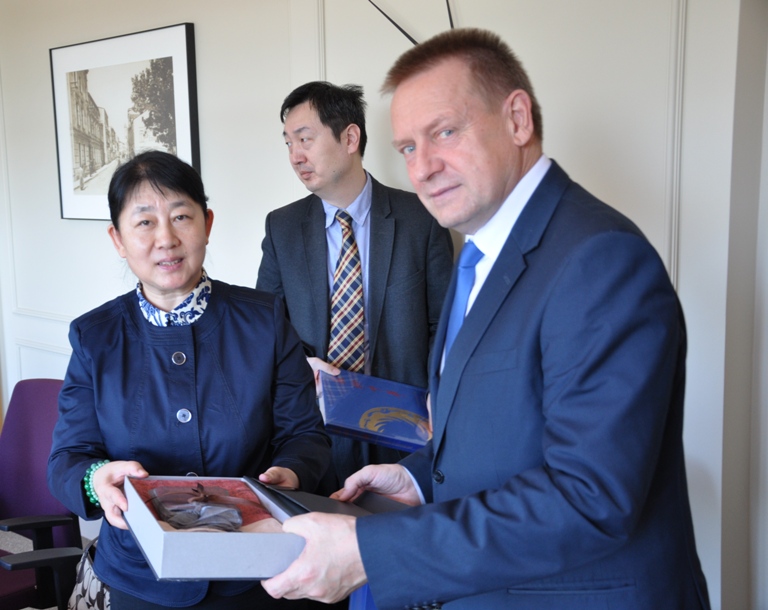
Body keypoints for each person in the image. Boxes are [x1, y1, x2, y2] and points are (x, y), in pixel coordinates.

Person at [261, 28, 712, 610]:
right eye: (408, 148)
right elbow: (496, 430)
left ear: (517, 119)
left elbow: (590, 496)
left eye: (444, 132)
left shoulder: (600, 259)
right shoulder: (478, 251)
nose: (423, 168)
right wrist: (419, 476)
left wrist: (372, 553)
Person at [48, 150, 331, 610]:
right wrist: (96, 478)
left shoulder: (264, 320)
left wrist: (293, 470)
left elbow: (305, 434)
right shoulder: (94, 336)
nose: (166, 239)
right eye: (144, 222)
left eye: (181, 216)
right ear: (118, 239)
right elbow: (67, 457)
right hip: (141, 574)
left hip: (253, 570)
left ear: (207, 223)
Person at [256, 81, 454, 490]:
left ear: (350, 138)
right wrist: (300, 365)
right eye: (288, 143)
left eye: (305, 139)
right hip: (311, 433)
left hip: (403, 430)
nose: (295, 156)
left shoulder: (422, 218)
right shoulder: (282, 227)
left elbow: (446, 326)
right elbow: (265, 328)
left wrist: (440, 400)